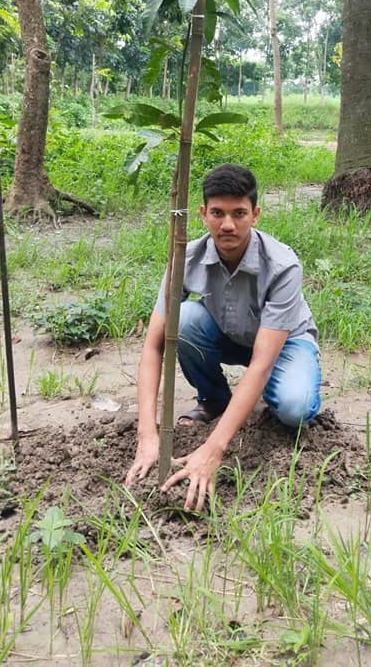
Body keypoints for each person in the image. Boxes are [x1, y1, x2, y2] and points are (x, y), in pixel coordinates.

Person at [125, 163, 321, 510]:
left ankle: (265, 406)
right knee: (181, 322)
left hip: (283, 343)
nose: (227, 224)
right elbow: (153, 345)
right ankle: (215, 399)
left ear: (255, 214)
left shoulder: (283, 266)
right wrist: (148, 434)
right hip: (227, 331)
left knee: (294, 407)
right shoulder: (186, 258)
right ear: (203, 214)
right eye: (217, 213)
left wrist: (212, 450)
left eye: (238, 213)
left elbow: (261, 365)